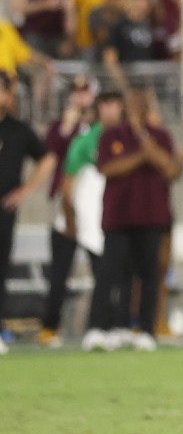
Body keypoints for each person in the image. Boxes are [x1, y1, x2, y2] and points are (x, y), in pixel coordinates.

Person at [82, 89, 180, 352]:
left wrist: (144, 140)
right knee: (110, 274)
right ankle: (99, 327)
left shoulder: (160, 136)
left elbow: (170, 169)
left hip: (151, 217)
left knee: (149, 275)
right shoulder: (111, 135)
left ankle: (145, 329)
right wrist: (141, 157)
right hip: (119, 217)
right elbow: (107, 168)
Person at [62, 91, 125, 351]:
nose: (110, 111)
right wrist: (71, 218)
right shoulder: (87, 139)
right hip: (94, 217)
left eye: (115, 105)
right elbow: (70, 179)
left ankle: (121, 326)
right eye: (106, 105)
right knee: (103, 273)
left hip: (123, 215)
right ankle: (98, 326)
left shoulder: (130, 136)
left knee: (124, 276)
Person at [37, 76, 95, 348]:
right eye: (76, 93)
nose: (80, 99)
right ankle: (50, 326)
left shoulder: (100, 128)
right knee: (59, 270)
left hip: (94, 208)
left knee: (103, 271)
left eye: (85, 93)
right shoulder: (61, 127)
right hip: (66, 203)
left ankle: (100, 325)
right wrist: (67, 127)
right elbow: (50, 154)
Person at [0, 72, 56, 354]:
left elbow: (47, 158)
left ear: (9, 95)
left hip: (3, 211)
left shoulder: (18, 130)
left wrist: (25, 190)